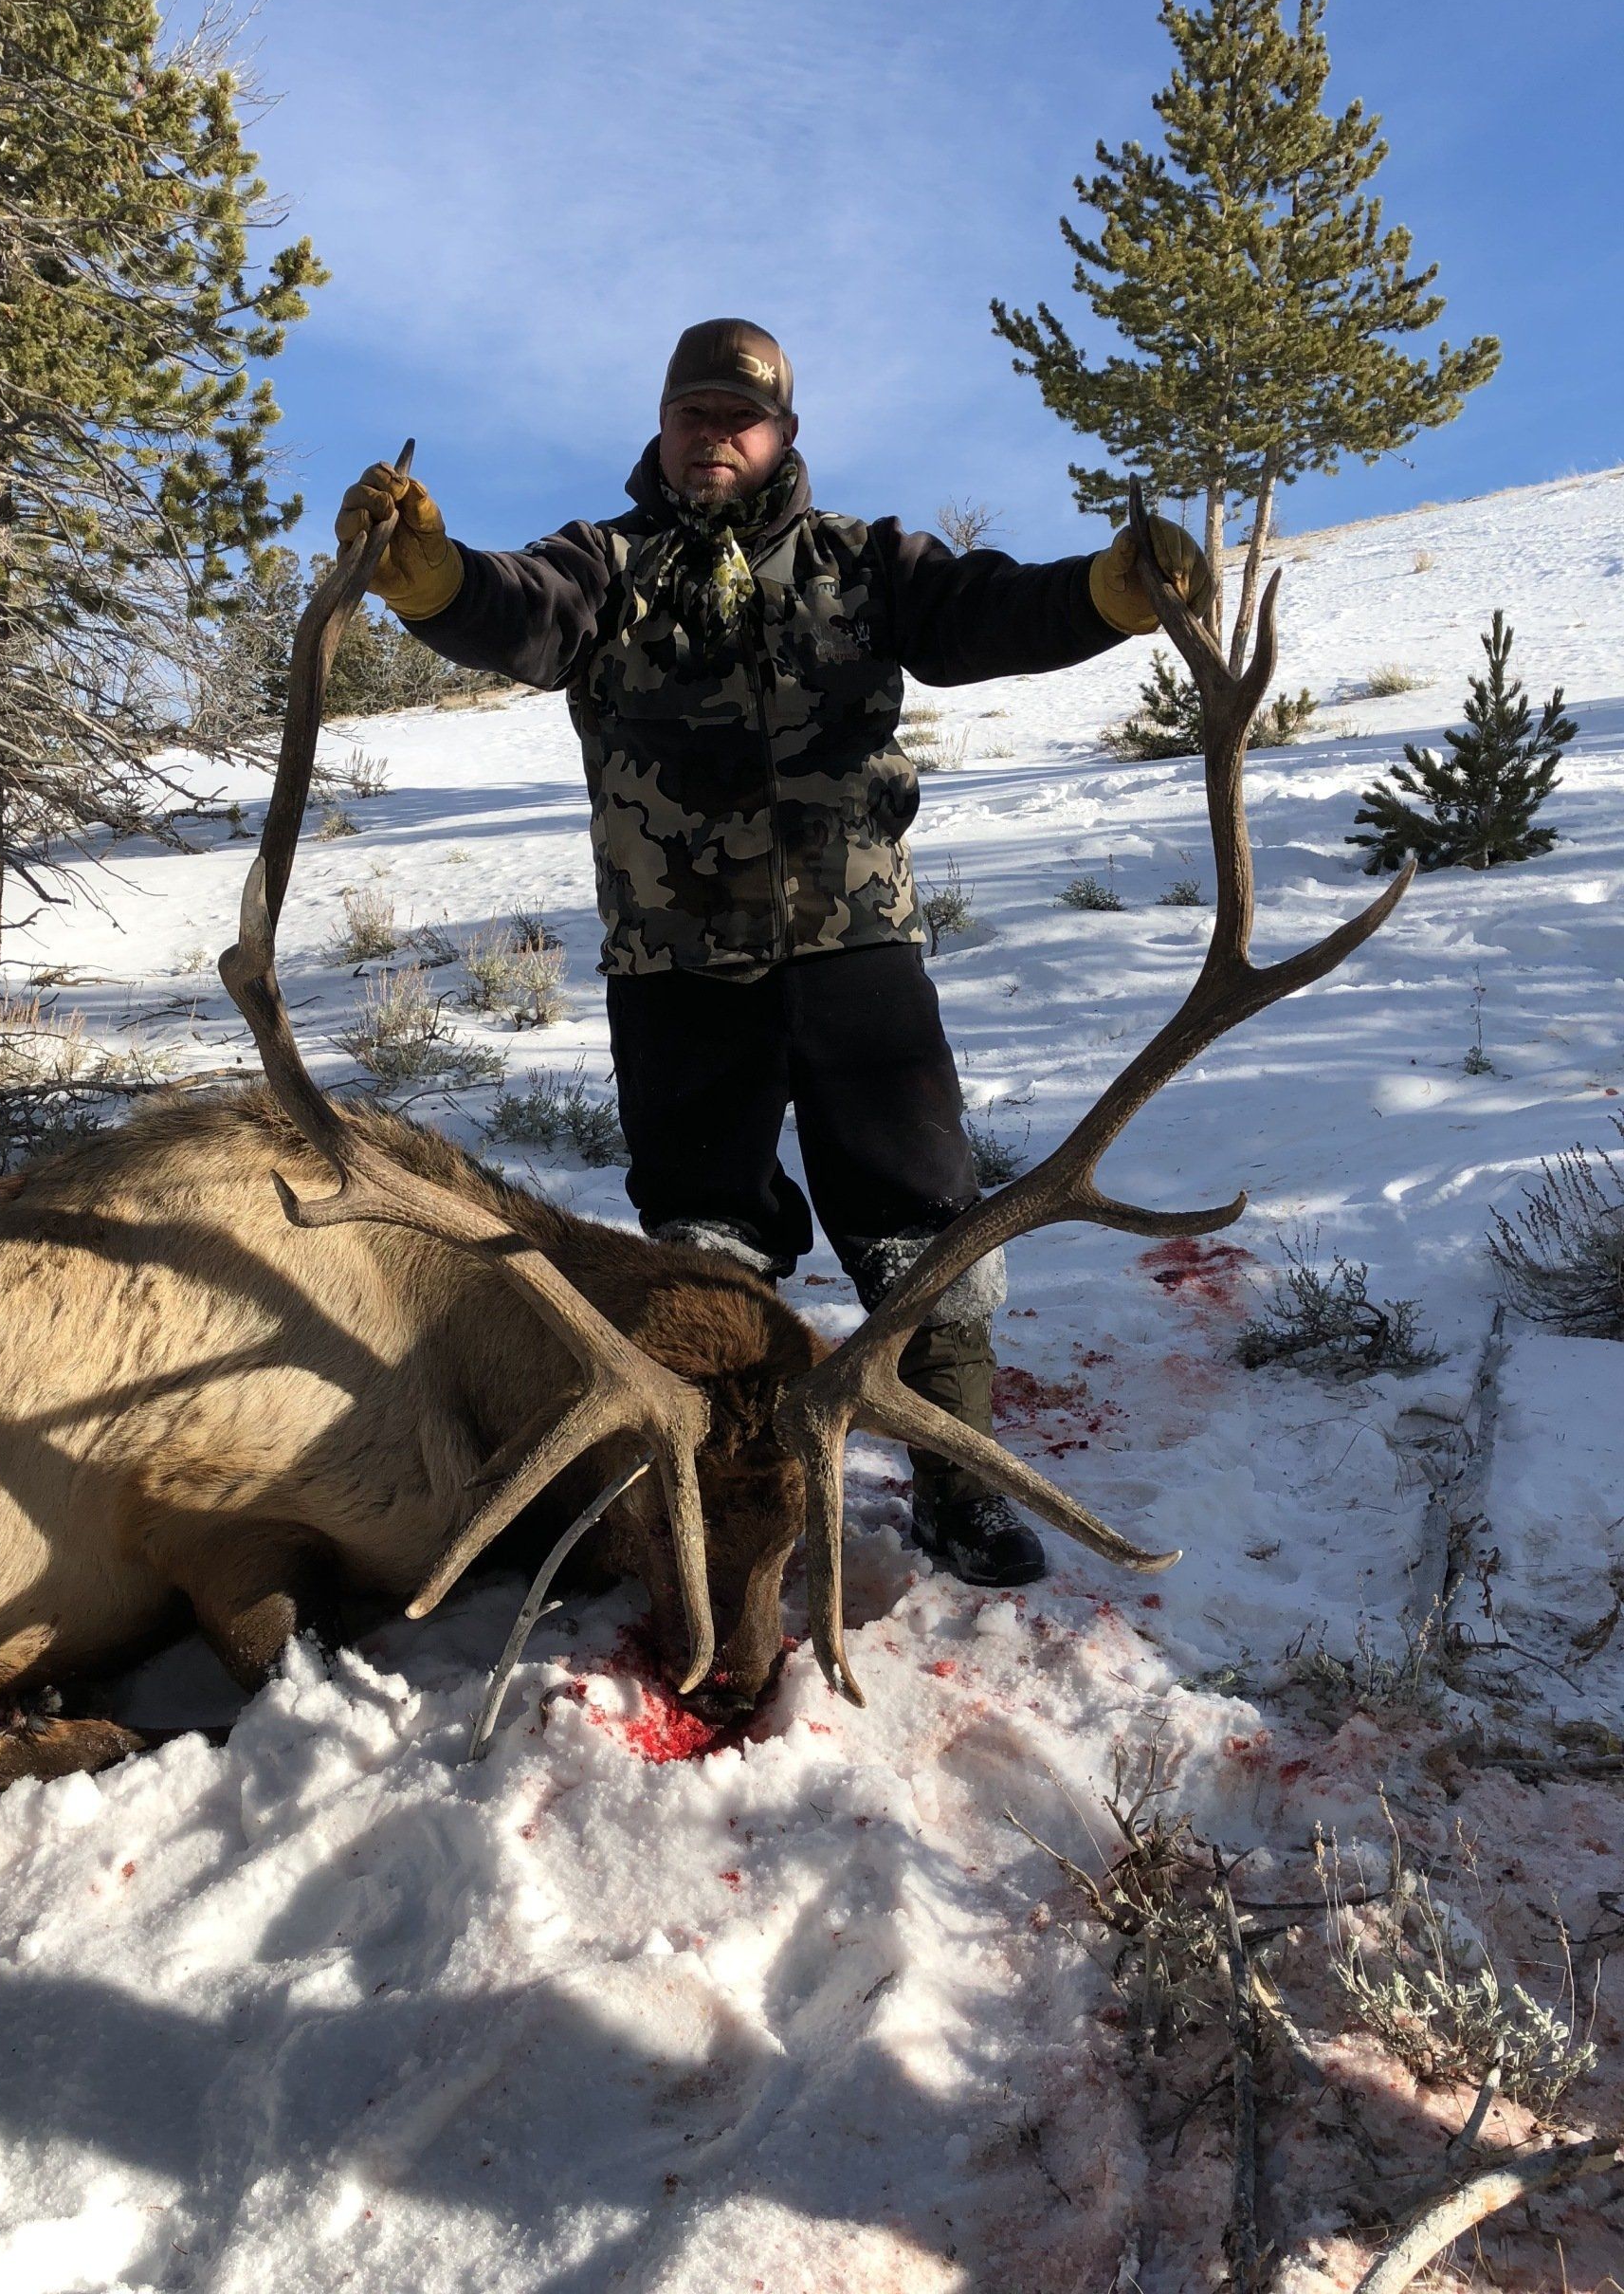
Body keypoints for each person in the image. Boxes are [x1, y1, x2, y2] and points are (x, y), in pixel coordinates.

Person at [336, 318, 1213, 1587]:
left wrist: (1105, 592)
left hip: (857, 958)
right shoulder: (606, 564)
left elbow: (987, 614)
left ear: (783, 437)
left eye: (738, 418)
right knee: (706, 1243)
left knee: (925, 1233)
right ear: (662, 427)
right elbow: (519, 617)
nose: (714, 437)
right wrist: (430, 580)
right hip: (677, 973)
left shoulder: (865, 561)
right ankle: (714, 1484)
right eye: (693, 414)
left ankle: (959, 1485)